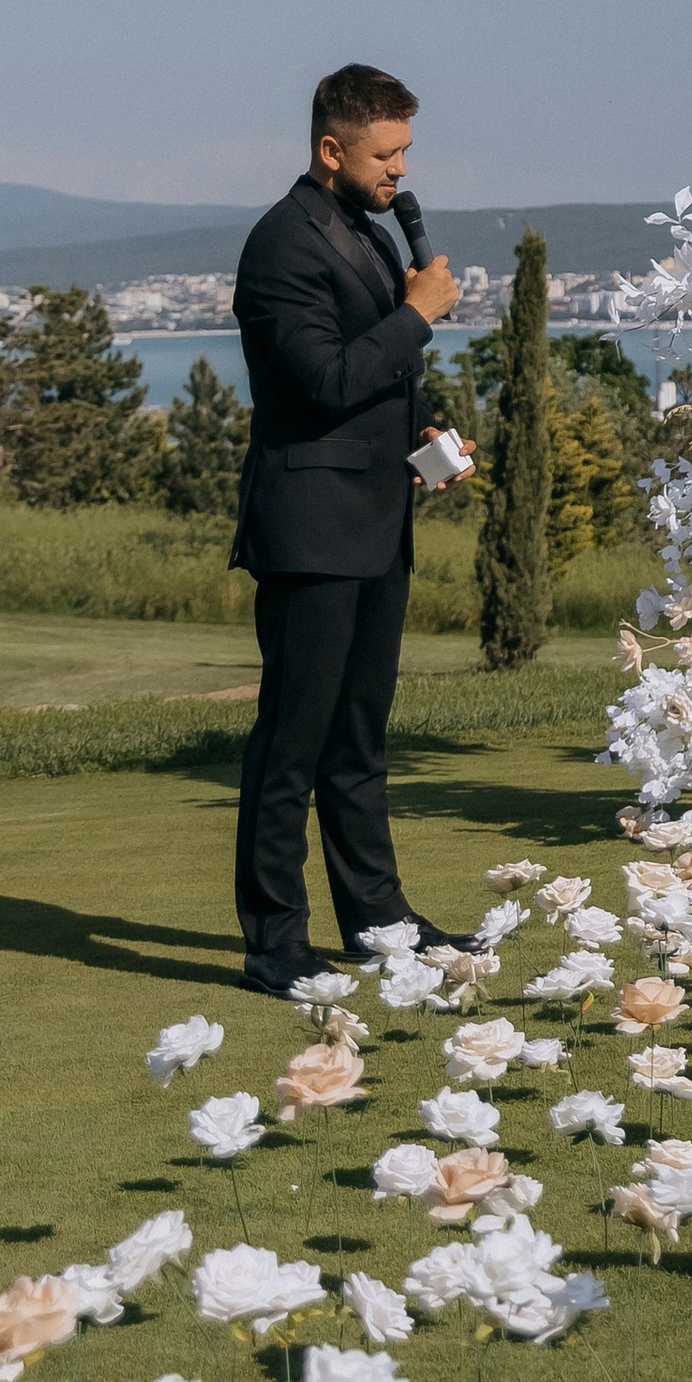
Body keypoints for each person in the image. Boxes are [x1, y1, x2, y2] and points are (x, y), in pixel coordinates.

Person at [228, 63, 471, 992]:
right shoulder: (282, 244)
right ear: (332, 149)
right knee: (291, 743)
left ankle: (380, 923)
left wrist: (427, 436)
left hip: (376, 522)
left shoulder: (365, 231)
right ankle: (273, 942)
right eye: (384, 154)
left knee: (359, 741)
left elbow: (375, 382)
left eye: (405, 151)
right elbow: (323, 381)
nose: (400, 170)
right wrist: (416, 314)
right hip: (310, 531)